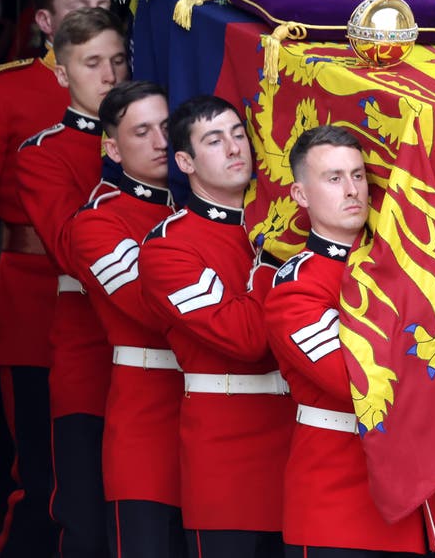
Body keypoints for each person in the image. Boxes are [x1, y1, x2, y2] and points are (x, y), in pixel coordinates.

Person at [0, 0, 113, 558]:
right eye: (78, 9)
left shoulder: (131, 86)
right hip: (34, 301)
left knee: (110, 484)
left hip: (117, 305)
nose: (95, 20)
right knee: (44, 483)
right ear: (44, 21)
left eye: (103, 8)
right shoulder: (3, 91)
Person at [138, 95, 293, 558]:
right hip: (229, 460)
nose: (233, 148)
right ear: (184, 161)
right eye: (214, 140)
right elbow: (245, 338)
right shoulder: (168, 249)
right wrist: (272, 260)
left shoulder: (284, 223)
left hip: (301, 451)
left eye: (238, 134)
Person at [265, 125, 428, 556]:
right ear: (300, 195)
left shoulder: (403, 272)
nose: (352, 190)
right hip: (334, 504)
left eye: (358, 176)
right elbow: (352, 380)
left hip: (406, 496)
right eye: (334, 178)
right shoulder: (296, 286)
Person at [14, 6, 129, 557]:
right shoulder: (43, 154)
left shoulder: (155, 141)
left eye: (118, 60)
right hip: (87, 347)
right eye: (91, 64)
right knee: (83, 515)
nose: (109, 76)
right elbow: (71, 248)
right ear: (62, 74)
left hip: (158, 355)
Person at [63, 80, 182, 558]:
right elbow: (150, 309)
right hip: (148, 418)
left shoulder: (205, 206)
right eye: (142, 132)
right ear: (112, 146)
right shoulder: (98, 221)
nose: (160, 143)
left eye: (168, 128)